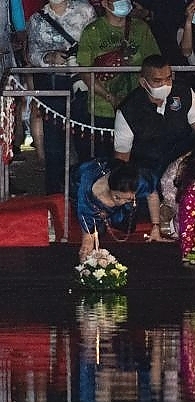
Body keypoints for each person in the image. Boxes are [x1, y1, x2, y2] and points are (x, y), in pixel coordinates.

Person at [76, 0, 160, 162]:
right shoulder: (92, 31)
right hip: (103, 109)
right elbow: (85, 71)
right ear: (104, 3)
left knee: (137, 160)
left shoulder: (140, 28)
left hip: (137, 107)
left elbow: (154, 63)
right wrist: (109, 97)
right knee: (105, 161)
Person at [27, 0, 96, 194]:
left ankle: (88, 190)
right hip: (53, 85)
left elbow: (97, 43)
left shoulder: (85, 10)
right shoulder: (36, 19)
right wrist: (49, 58)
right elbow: (32, 54)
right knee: (55, 144)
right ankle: (54, 194)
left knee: (86, 140)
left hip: (82, 84)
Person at [114, 54, 195, 178]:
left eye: (168, 79)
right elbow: (122, 157)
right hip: (148, 174)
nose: (165, 85)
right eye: (157, 81)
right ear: (143, 82)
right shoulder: (128, 110)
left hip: (183, 169)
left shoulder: (184, 92)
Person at [75, 157, 164, 260]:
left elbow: (152, 194)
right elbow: (86, 224)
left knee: (127, 222)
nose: (120, 202)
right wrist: (86, 248)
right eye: (117, 197)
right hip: (77, 184)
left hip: (120, 185)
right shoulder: (89, 189)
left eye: (128, 198)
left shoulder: (139, 181)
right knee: (99, 231)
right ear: (109, 188)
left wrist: (156, 227)